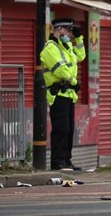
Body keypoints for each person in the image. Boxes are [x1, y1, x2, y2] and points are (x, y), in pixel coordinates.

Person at [40, 18, 86, 171]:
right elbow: (60, 69)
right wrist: (74, 81)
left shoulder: (66, 47)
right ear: (60, 29)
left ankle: (66, 161)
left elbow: (81, 56)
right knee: (61, 129)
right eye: (69, 30)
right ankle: (57, 162)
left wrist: (79, 38)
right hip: (58, 94)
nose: (70, 34)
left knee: (69, 130)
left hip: (68, 94)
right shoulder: (50, 48)